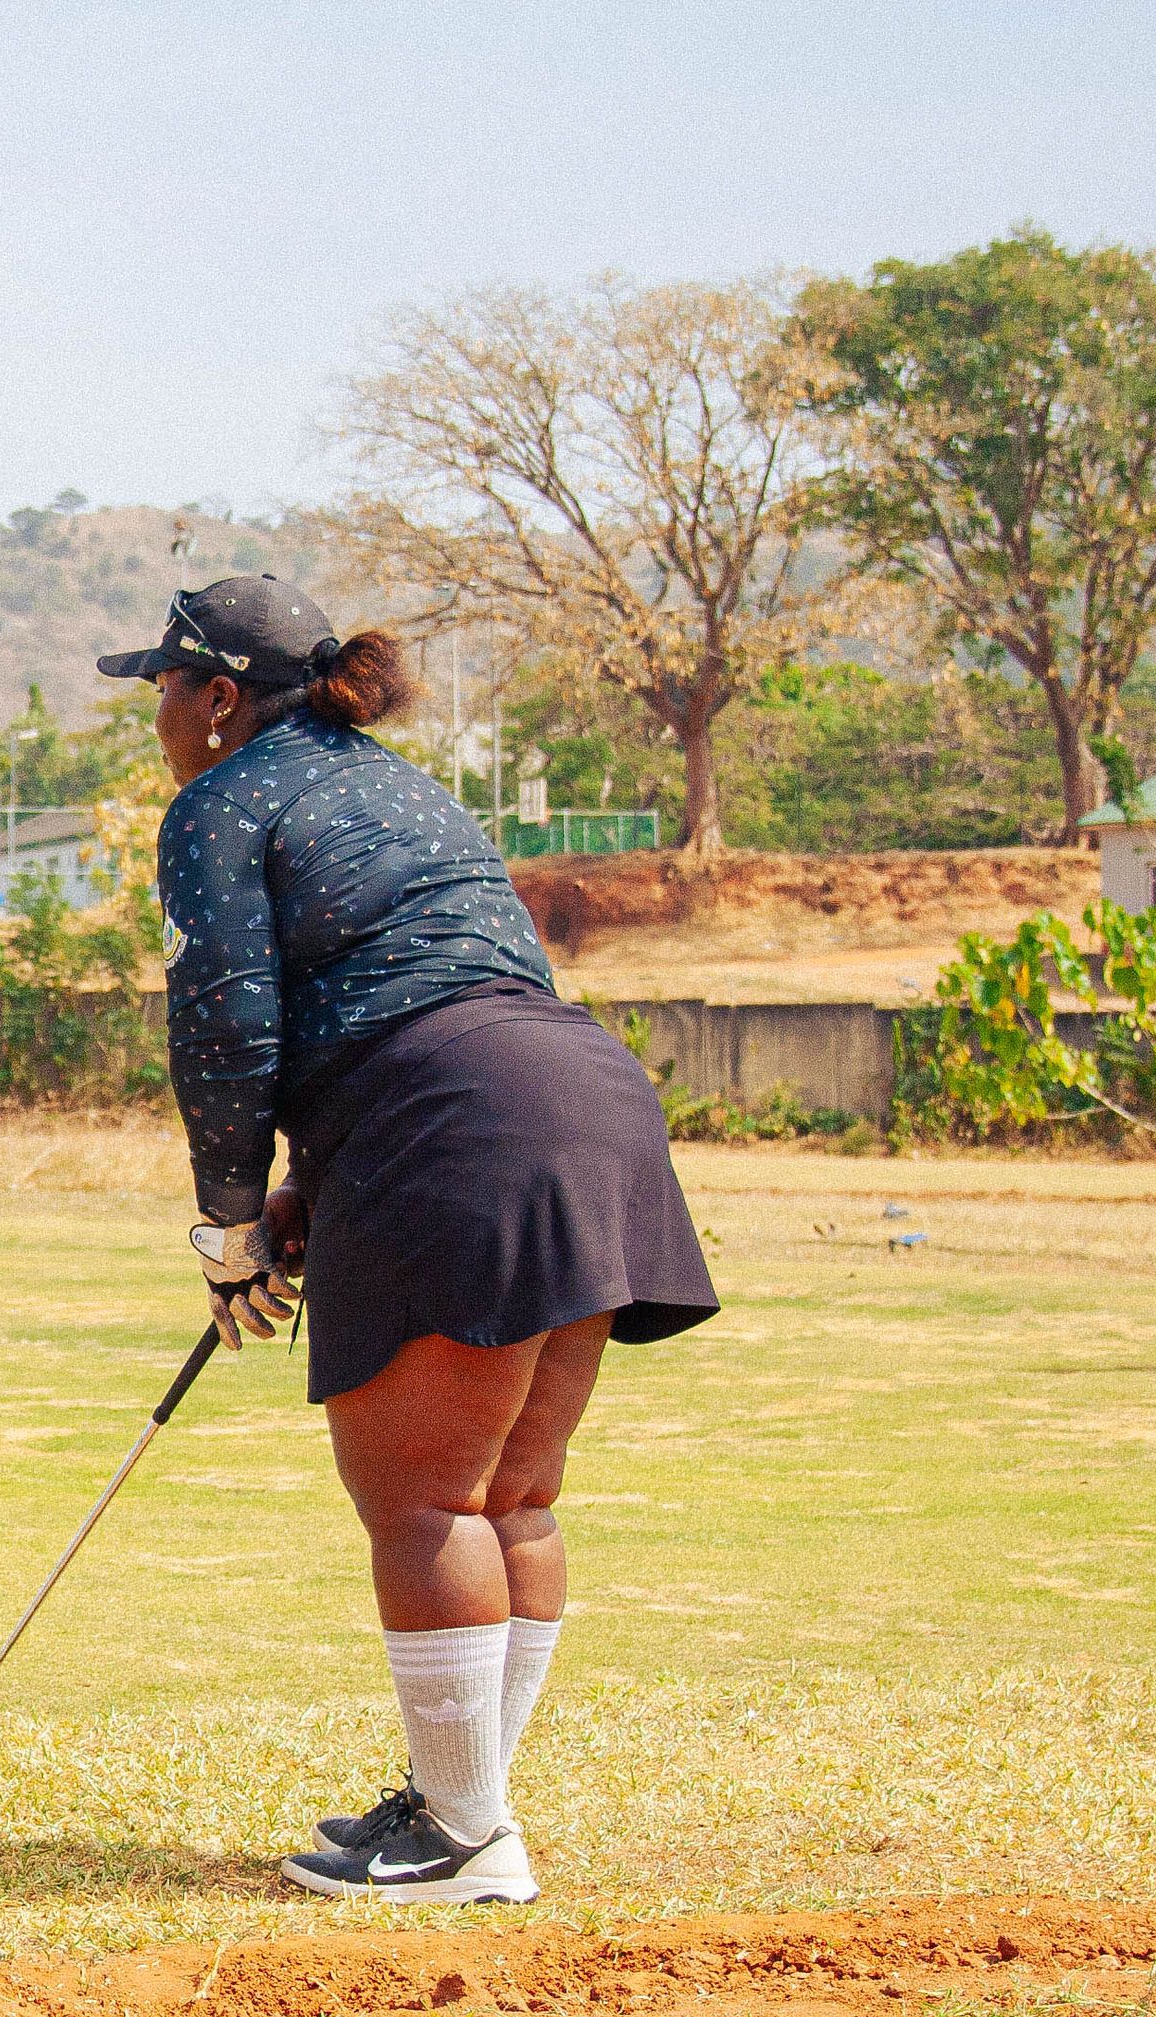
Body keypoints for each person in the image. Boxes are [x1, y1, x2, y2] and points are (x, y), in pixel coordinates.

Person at [96, 575, 715, 1905]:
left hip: (457, 1123)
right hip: (581, 1098)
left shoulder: (219, 800)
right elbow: (443, 985)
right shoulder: (412, 791)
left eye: (160, 685)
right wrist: (312, 1195)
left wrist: (224, 1223)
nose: (151, 710)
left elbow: (227, 1024)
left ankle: (468, 1835)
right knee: (511, 1501)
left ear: (216, 699)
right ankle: (460, 1806)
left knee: (426, 1504)